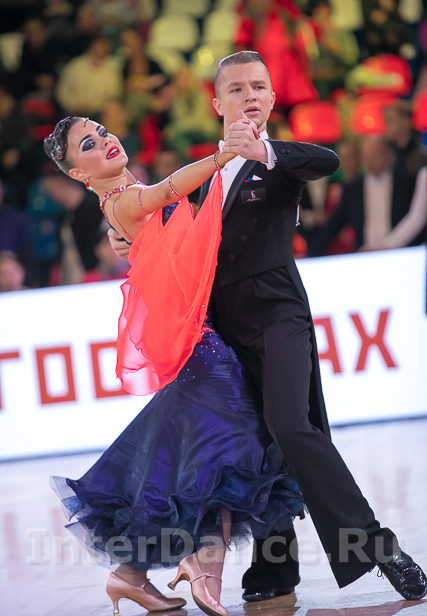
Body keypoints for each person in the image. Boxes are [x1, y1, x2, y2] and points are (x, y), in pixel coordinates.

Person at [109, 51, 427, 604]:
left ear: (273, 98)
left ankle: (381, 548)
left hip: (278, 313)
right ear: (217, 103)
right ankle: (274, 572)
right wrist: (131, 241)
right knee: (257, 448)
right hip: (221, 329)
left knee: (290, 425)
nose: (249, 95)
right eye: (236, 89)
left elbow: (327, 159)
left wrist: (266, 151)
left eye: (258, 86)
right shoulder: (202, 178)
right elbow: (170, 243)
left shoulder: (280, 163)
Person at [45, 116, 305, 616]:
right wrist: (222, 156)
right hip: (197, 342)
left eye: (102, 131)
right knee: (232, 448)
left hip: (198, 332)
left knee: (194, 453)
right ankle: (204, 569)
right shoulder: (125, 201)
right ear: (78, 173)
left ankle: (131, 575)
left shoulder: (123, 204)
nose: (105, 140)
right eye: (89, 144)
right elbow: (167, 191)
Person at [309, 136, 422, 256]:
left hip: (401, 254)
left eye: (374, 155)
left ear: (388, 155)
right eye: (366, 156)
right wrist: (309, 254)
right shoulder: (353, 189)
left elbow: (416, 220)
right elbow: (333, 226)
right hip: (366, 256)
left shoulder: (408, 183)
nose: (370, 160)